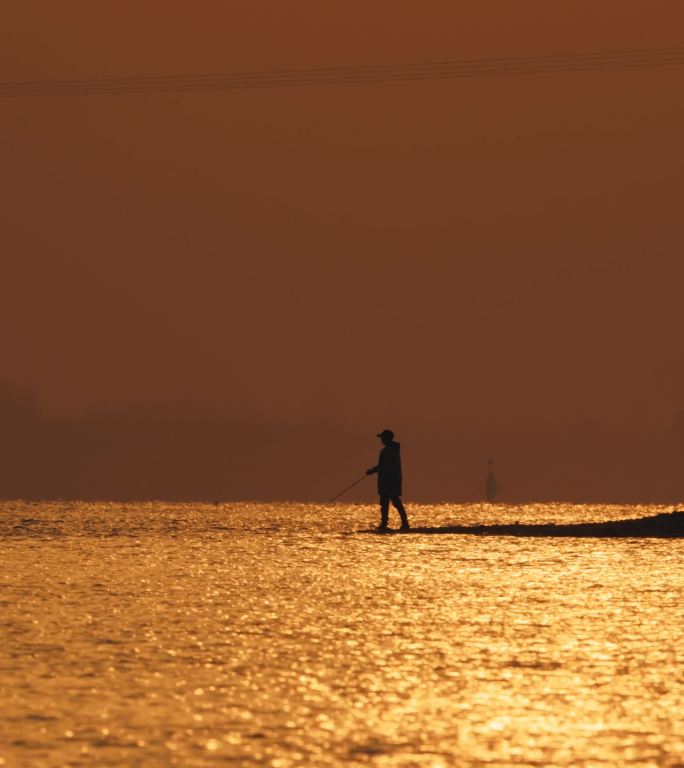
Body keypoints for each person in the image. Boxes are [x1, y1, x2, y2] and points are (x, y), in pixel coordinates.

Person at [366, 429, 410, 531]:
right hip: (392, 481)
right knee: (391, 502)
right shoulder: (393, 450)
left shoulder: (387, 451)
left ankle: (389, 524)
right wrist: (374, 470)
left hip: (388, 481)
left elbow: (385, 466)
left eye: (382, 438)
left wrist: (372, 470)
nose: (381, 440)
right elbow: (384, 466)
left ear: (387, 438)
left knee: (390, 502)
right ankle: (401, 523)